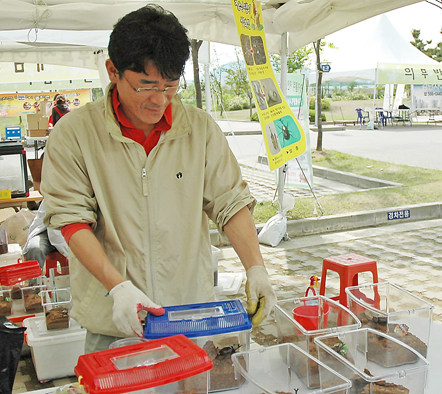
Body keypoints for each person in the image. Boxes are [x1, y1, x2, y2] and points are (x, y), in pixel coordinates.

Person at [41, 5, 276, 353]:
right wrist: (117, 287)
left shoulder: (199, 130)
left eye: (170, 86)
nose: (159, 100)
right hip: (116, 320)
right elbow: (72, 220)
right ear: (113, 71)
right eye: (146, 86)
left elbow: (230, 201)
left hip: (189, 316)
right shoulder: (74, 134)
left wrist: (256, 267)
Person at [22, 199, 69, 269]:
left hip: (76, 231)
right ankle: (34, 279)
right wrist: (71, 255)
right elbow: (55, 235)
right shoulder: (55, 195)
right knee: (34, 249)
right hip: (47, 230)